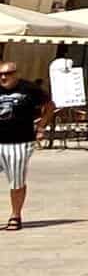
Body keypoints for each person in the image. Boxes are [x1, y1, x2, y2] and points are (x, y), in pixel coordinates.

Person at [0, 62, 53, 230]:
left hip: (18, 142)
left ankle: (15, 215)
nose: (3, 77)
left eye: (8, 74)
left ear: (16, 74)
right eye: (1, 74)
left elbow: (50, 106)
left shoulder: (29, 89)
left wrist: (41, 127)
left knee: (16, 181)